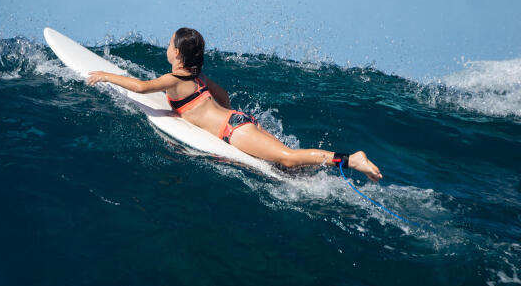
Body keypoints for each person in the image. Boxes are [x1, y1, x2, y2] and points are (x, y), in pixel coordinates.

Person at [87, 27, 382, 182]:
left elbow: (140, 87)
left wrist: (106, 75)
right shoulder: (196, 75)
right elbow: (224, 98)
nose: (166, 48)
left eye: (168, 44)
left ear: (177, 53)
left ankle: (350, 159)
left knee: (288, 158)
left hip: (234, 132)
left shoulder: (174, 78)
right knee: (291, 171)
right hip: (240, 120)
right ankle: (331, 171)